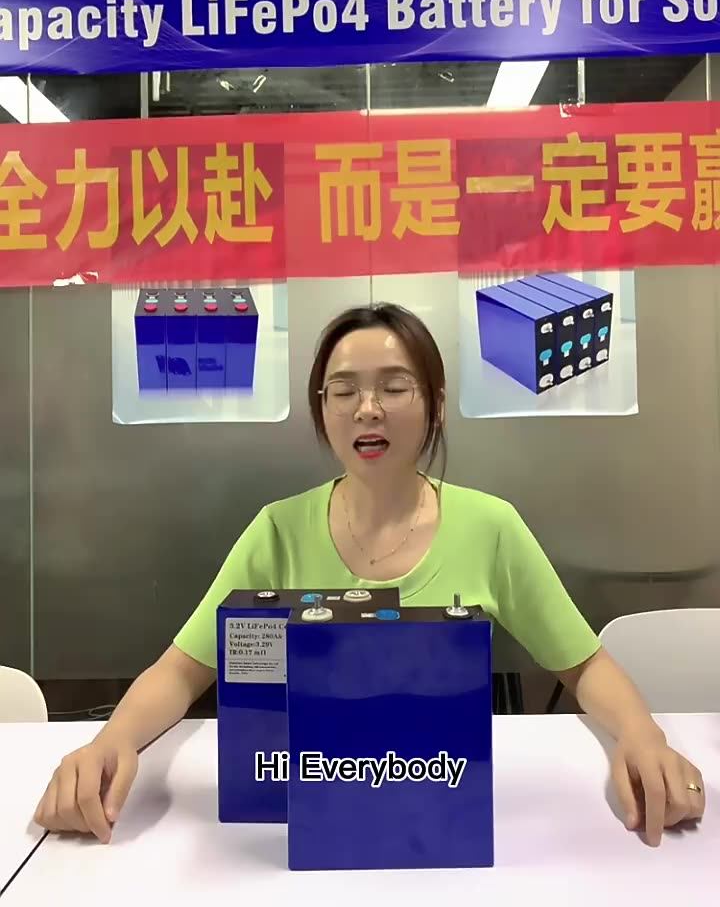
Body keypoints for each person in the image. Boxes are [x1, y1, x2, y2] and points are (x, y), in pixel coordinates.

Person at [33, 302, 704, 848]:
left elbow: (583, 664)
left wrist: (643, 736)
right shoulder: (277, 529)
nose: (367, 408)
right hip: (308, 815)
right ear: (322, 408)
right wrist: (111, 743)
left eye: (394, 386)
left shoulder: (490, 526)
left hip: (442, 810)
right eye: (344, 390)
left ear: (435, 403)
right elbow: (182, 670)